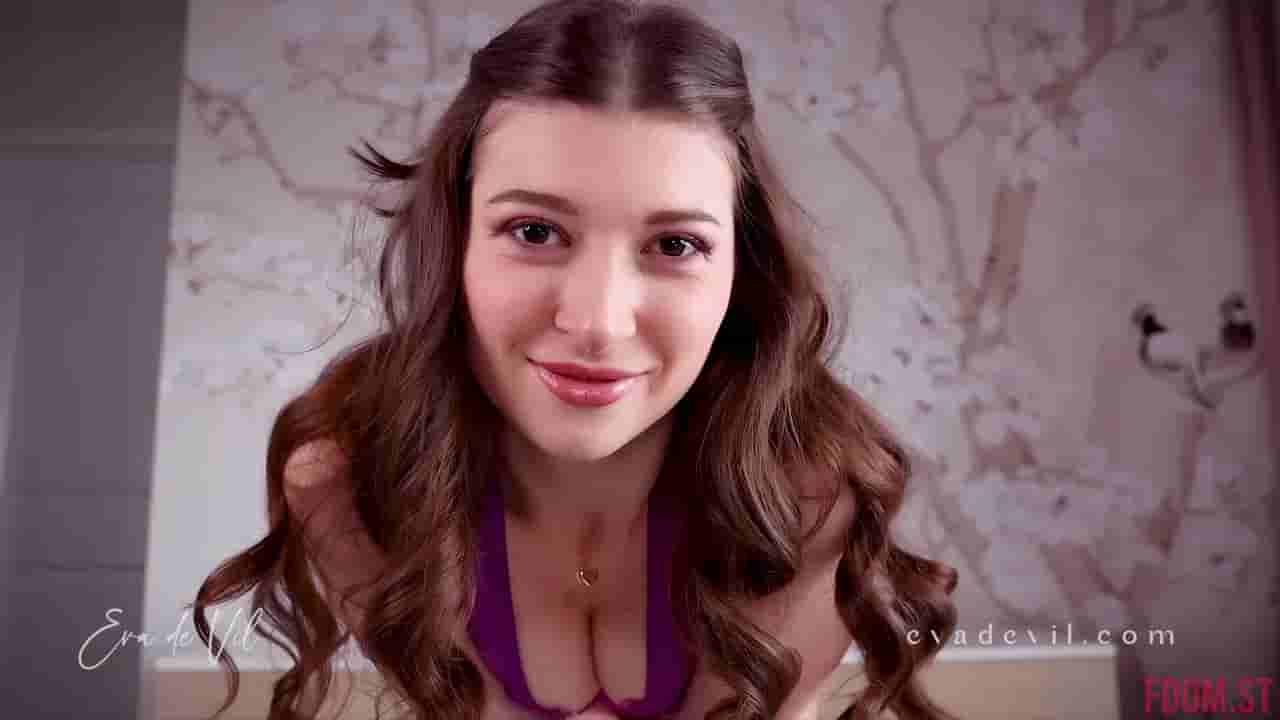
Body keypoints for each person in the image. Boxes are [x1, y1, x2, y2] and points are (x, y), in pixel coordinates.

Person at [192, 1, 958, 718]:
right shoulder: (351, 480)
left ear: (741, 268)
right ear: (453, 241)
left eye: (675, 244)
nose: (597, 322)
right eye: (534, 232)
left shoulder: (812, 491)